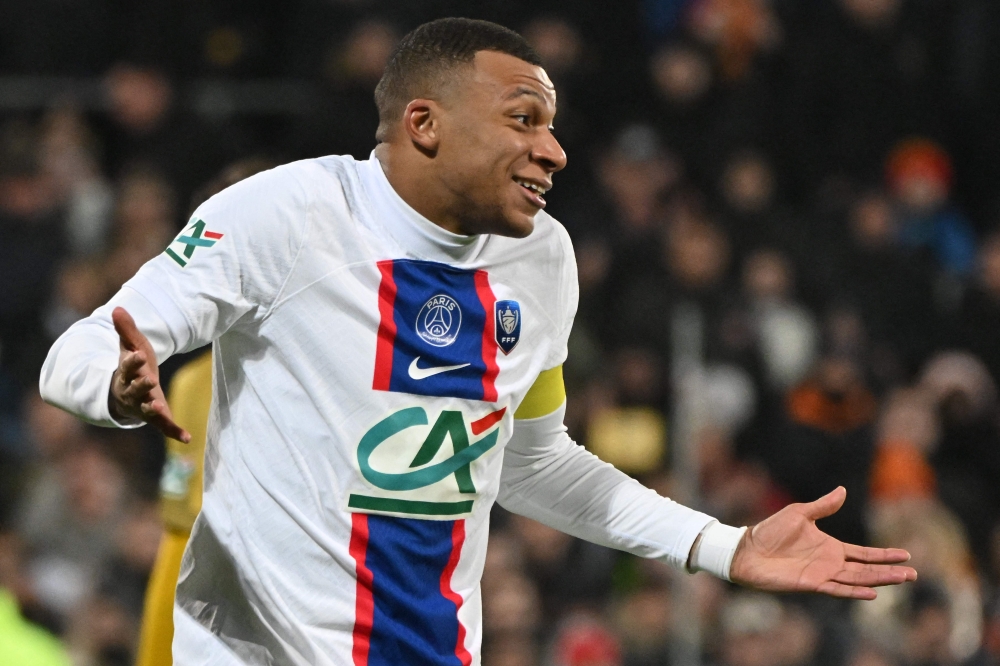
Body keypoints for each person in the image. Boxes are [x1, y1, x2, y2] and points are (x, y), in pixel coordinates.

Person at [40, 18, 917, 665]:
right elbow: (77, 351)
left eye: (552, 124)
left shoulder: (542, 260)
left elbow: (532, 463)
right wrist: (113, 388)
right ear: (425, 124)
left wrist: (722, 545)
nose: (555, 150)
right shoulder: (290, 214)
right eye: (524, 119)